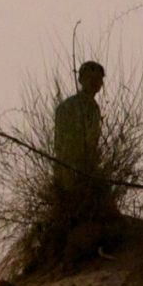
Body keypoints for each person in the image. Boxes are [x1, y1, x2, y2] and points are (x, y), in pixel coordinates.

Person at [53, 60, 105, 189]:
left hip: (88, 170)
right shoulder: (68, 106)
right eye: (90, 78)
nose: (94, 82)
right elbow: (60, 143)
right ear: (81, 79)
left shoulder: (95, 108)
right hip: (69, 169)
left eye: (98, 78)